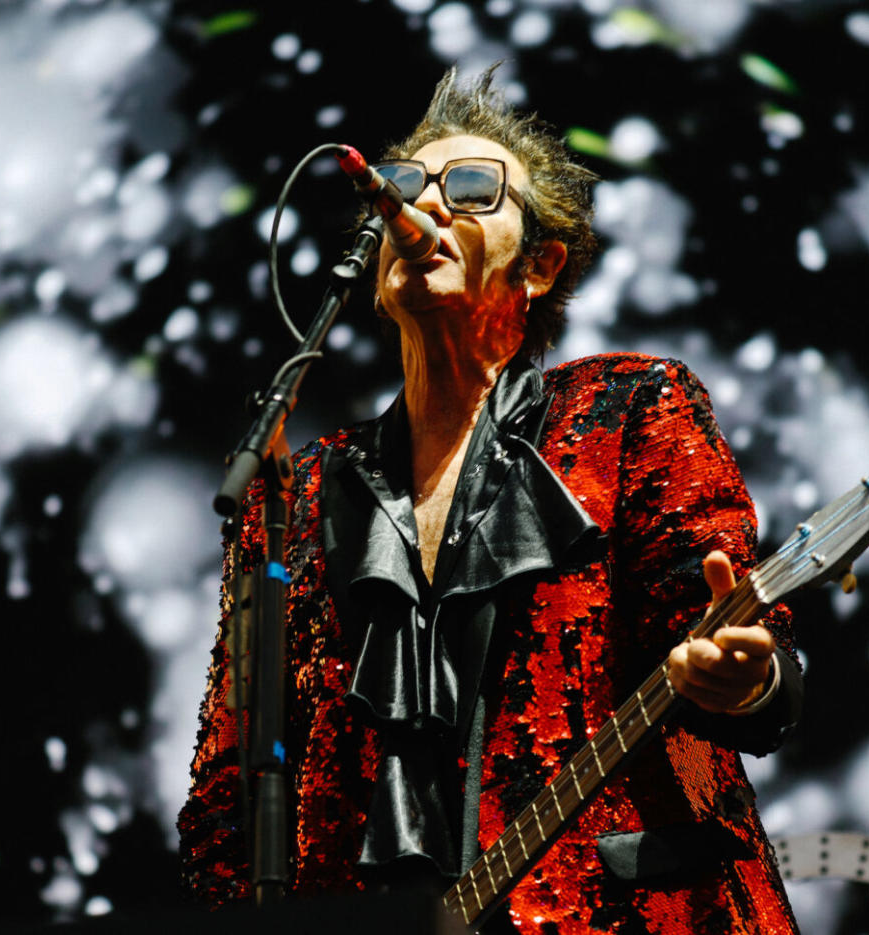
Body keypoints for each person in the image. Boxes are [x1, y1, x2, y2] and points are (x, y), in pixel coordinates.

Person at [179, 67, 803, 934]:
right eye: (402, 187)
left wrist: (749, 677)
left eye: (472, 191)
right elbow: (227, 788)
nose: (422, 207)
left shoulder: (628, 409)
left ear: (540, 266)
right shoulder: (301, 489)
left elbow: (736, 650)